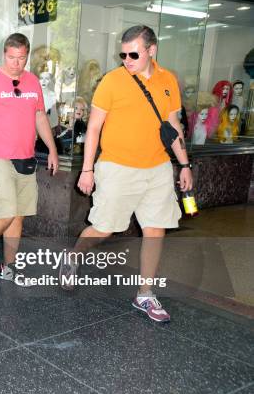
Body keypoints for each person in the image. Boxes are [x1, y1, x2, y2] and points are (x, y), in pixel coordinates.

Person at [59, 26, 193, 323]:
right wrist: (87, 168)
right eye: (123, 54)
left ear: (152, 50)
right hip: (117, 166)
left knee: (155, 229)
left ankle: (145, 293)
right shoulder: (112, 81)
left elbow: (173, 128)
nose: (127, 59)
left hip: (157, 167)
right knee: (104, 228)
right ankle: (74, 255)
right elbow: (93, 128)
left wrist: (185, 164)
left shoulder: (168, 80)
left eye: (134, 53)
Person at [0, 33, 59, 285]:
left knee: (18, 215)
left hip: (25, 157)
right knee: (6, 211)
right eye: (11, 57)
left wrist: (52, 149)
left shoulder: (32, 82)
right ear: (3, 55)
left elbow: (40, 117)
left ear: (27, 55)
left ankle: (8, 266)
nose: (16, 63)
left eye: (21, 58)